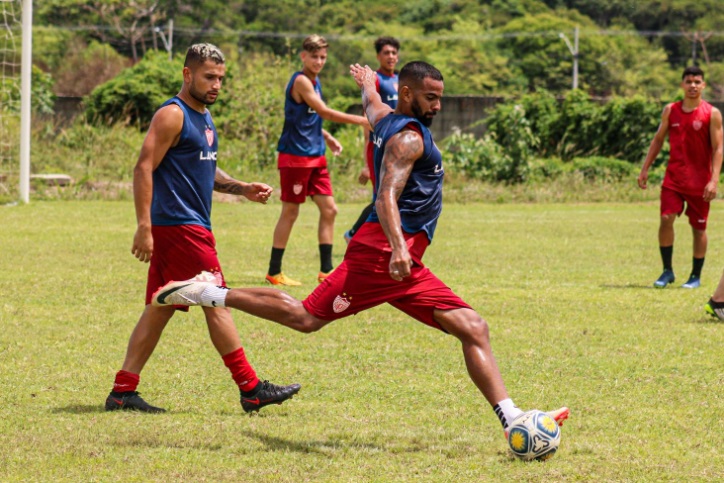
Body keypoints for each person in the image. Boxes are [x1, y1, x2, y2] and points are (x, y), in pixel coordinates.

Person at [151, 61, 569, 439]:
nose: (438, 105)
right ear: (407, 93)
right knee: (305, 318)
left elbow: (371, 103)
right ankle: (207, 293)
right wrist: (397, 249)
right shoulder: (406, 138)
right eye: (431, 97)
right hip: (383, 258)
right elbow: (387, 194)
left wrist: (368, 83)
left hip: (402, 262)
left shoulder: (384, 117)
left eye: (440, 97)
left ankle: (513, 419)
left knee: (473, 327)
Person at [105, 43, 300, 414]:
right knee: (217, 300)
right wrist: (143, 226)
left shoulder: (204, 117)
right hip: (179, 226)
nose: (216, 85)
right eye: (209, 77)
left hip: (188, 225)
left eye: (221, 78)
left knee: (159, 307)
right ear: (187, 74)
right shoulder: (172, 115)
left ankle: (122, 391)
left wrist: (241, 188)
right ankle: (250, 387)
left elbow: (206, 170)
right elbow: (143, 167)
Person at [266, 34, 370, 286]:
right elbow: (323, 111)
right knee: (290, 212)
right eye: (314, 56)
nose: (319, 61)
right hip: (295, 158)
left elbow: (307, 118)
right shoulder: (301, 81)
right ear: (303, 56)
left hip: (315, 157)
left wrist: (326, 137)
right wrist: (363, 120)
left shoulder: (315, 81)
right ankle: (274, 271)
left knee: (329, 209)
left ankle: (326, 270)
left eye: (323, 57)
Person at [638, 65, 723, 289]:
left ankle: (695, 276)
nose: (693, 86)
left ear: (703, 85)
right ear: (682, 85)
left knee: (699, 229)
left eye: (697, 82)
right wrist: (645, 167)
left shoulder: (712, 114)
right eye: (688, 81)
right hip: (673, 179)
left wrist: (714, 180)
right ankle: (667, 271)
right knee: (666, 219)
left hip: (700, 183)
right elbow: (658, 140)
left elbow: (718, 149)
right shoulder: (670, 110)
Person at [344, 36, 401, 243]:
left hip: (397, 146)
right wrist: (367, 163)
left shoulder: (400, 80)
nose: (391, 56)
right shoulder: (375, 79)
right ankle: (355, 235)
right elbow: (367, 119)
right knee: (381, 197)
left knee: (393, 194)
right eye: (386, 53)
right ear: (378, 56)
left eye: (394, 53)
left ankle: (370, 237)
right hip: (378, 146)